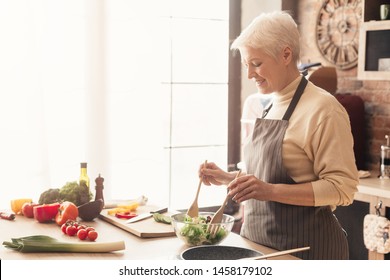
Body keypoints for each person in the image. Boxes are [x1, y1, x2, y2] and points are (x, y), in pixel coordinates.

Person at [198, 11, 358, 260]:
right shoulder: (270, 103)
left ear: (285, 55)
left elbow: (342, 188)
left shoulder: (324, 109)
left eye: (257, 63)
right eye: (246, 65)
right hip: (259, 249)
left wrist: (270, 191)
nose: (250, 74)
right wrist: (228, 178)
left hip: (307, 253)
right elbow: (269, 178)